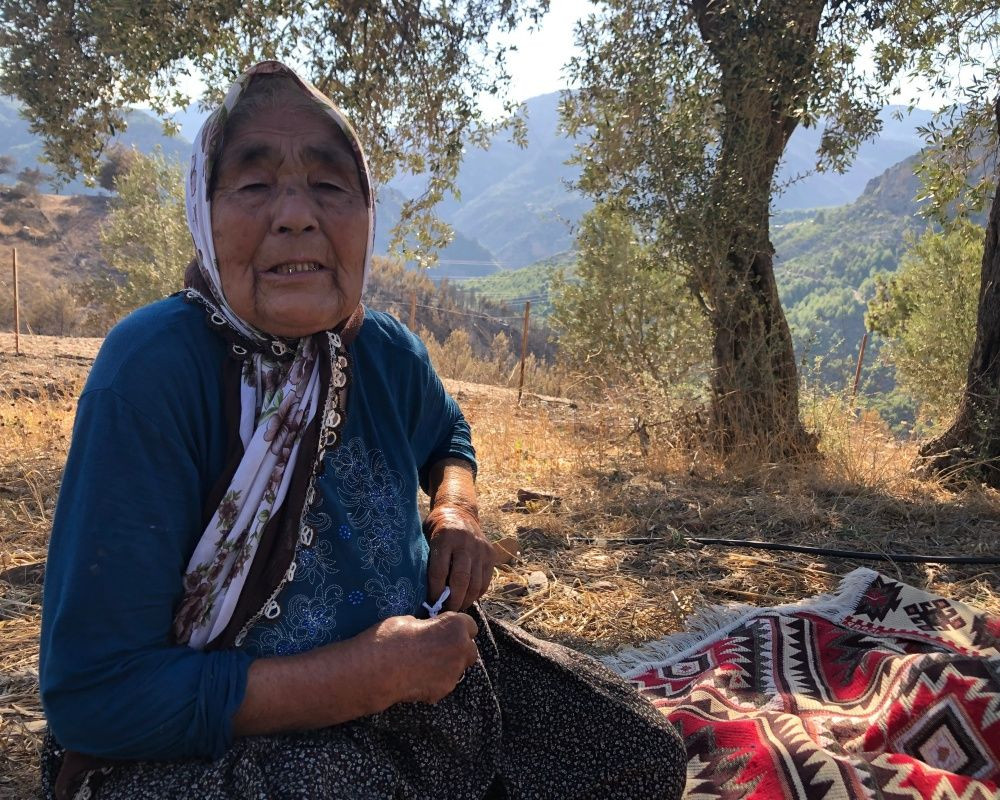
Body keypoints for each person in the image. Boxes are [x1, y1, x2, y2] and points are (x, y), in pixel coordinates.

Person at [38, 61, 686, 800]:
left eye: (329, 185)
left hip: (415, 682)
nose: (295, 214)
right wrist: (361, 678)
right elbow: (96, 698)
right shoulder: (153, 371)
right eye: (253, 185)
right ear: (203, 210)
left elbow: (448, 434)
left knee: (637, 751)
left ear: (367, 212)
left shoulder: (381, 350)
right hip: (224, 740)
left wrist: (455, 512)